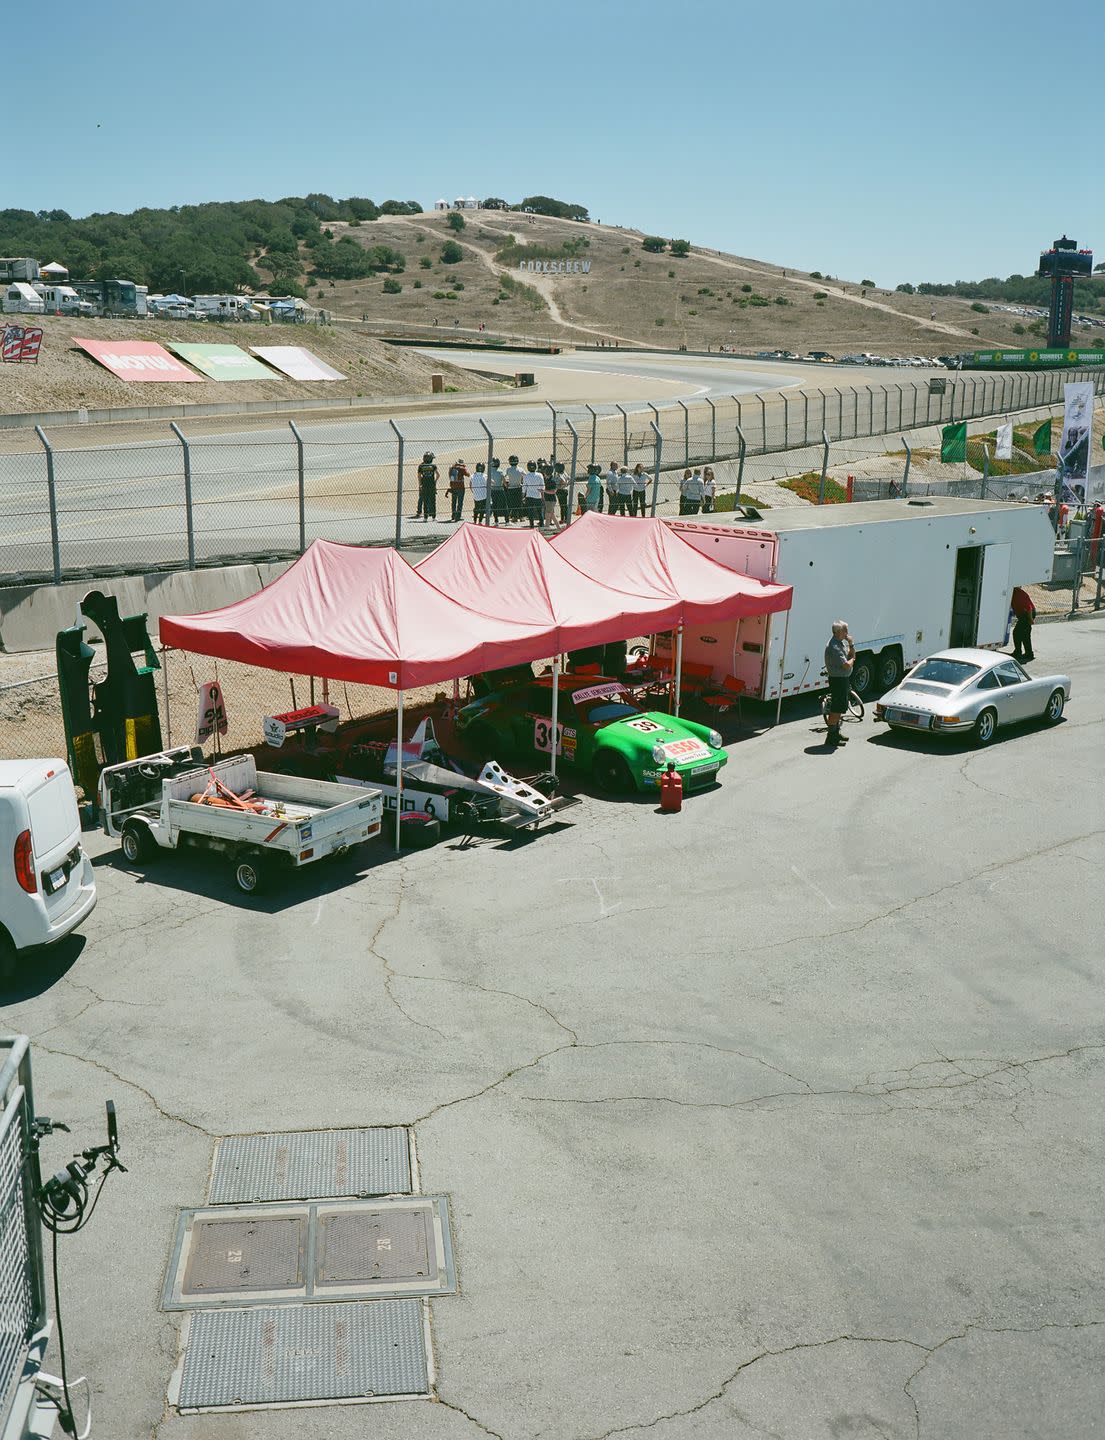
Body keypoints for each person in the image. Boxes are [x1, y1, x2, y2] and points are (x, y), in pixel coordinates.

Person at [823, 620, 855, 746]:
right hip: (838, 681)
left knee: (840, 707)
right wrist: (852, 660)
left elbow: (850, 655)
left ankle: (836, 733)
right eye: (845, 630)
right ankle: (831, 737)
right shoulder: (834, 646)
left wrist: (851, 644)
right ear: (837, 632)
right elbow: (847, 664)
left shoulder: (840, 643)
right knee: (836, 708)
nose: (847, 633)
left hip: (842, 680)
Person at [1010, 585, 1036, 663]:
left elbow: (1028, 607)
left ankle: (1023, 653)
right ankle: (1026, 653)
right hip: (1024, 614)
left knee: (1018, 633)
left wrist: (1030, 619)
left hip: (1027, 614)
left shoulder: (1017, 593)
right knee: (1023, 634)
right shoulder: (1014, 592)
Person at [416, 451, 438, 523]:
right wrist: (435, 481)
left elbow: (419, 476)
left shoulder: (421, 466)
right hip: (431, 485)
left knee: (425, 501)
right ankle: (433, 516)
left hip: (424, 485)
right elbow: (438, 475)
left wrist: (420, 484)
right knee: (433, 501)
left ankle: (425, 517)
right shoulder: (433, 466)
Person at [522, 461, 545, 528]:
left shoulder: (526, 476)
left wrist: (523, 496)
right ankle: (541, 524)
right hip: (538, 496)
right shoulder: (540, 475)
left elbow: (524, 487)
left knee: (530, 511)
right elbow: (542, 486)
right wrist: (542, 496)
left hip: (529, 496)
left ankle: (531, 525)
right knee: (539, 511)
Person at [504, 454, 525, 521]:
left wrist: (506, 485)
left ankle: (514, 517)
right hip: (518, 487)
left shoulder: (508, 469)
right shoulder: (521, 469)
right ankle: (521, 517)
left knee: (513, 503)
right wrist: (523, 483)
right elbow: (526, 476)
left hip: (511, 488)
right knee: (519, 502)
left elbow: (503, 476)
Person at [448, 457, 469, 522]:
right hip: (460, 487)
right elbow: (468, 474)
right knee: (460, 502)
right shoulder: (462, 468)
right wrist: (465, 468)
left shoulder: (452, 468)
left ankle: (453, 515)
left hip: (453, 486)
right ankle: (458, 516)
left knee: (453, 501)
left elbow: (449, 475)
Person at [487, 456, 505, 525]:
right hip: (500, 489)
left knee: (494, 505)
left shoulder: (489, 471)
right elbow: (503, 481)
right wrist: (506, 485)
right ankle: (507, 520)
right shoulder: (500, 471)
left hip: (493, 490)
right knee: (504, 504)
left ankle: (496, 520)